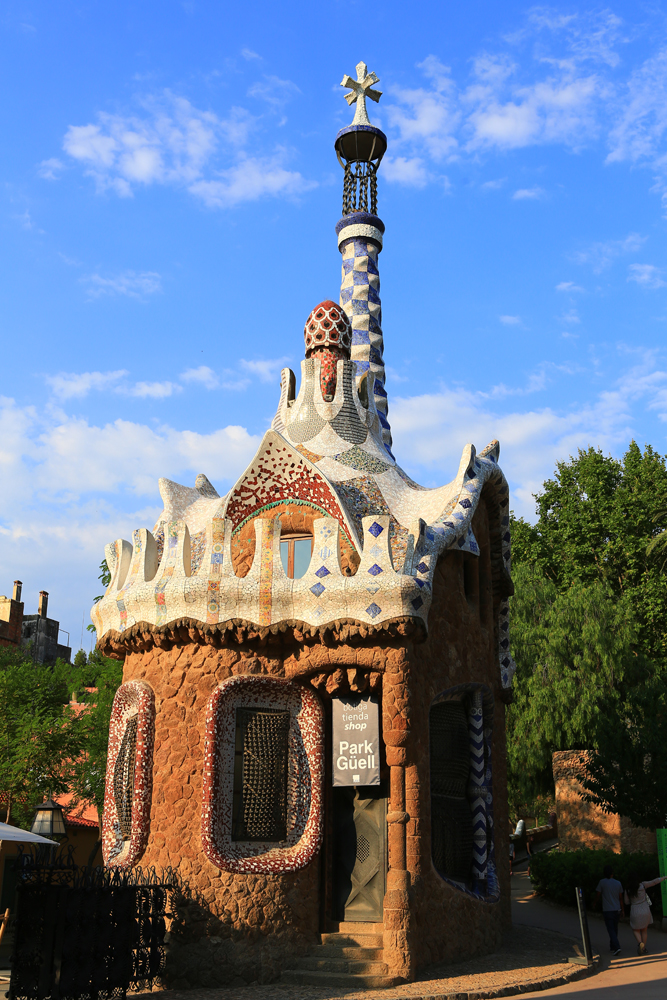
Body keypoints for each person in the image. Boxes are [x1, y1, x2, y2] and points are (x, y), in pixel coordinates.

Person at [624, 870, 667, 955]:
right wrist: (664, 878)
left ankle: (640, 943)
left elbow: (626, 902)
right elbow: (654, 882)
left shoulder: (627, 890)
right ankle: (643, 948)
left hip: (635, 910)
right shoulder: (643, 885)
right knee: (644, 930)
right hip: (645, 909)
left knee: (635, 929)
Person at [595, 864, 624, 955]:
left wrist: (595, 903)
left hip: (607, 909)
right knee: (614, 929)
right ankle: (613, 946)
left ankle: (616, 947)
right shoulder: (618, 883)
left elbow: (598, 894)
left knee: (610, 929)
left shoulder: (602, 882)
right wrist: (622, 909)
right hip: (617, 909)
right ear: (612, 873)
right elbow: (620, 898)